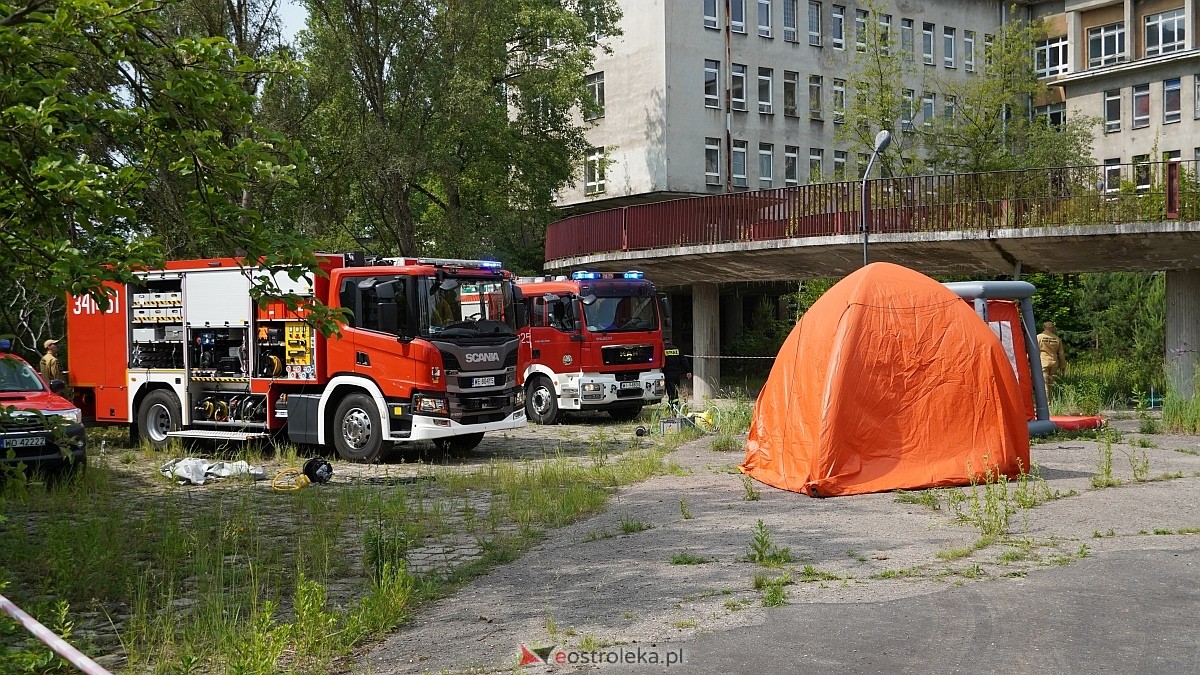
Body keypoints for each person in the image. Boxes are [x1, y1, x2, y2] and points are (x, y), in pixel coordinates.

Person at [1037, 321, 1066, 401]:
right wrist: (1062, 366)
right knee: (1050, 383)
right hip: (1053, 363)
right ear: (1052, 328)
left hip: (1043, 362)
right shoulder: (1057, 338)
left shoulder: (1038, 337)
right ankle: (1049, 401)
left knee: (1044, 383)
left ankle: (1046, 403)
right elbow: (1061, 354)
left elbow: (1034, 350)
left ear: (1044, 327)